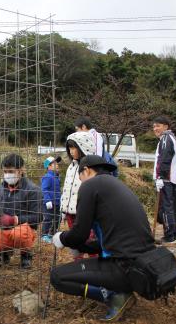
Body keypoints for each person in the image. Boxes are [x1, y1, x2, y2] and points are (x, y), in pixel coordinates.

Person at [51, 155, 156, 322]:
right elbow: (108, 242)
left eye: (80, 178)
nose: (81, 182)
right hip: (143, 267)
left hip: (124, 267)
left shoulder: (90, 185)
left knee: (57, 277)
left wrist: (61, 238)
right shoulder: (117, 186)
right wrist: (83, 247)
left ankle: (114, 297)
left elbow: (79, 233)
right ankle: (121, 290)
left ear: (86, 170)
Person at [60, 132, 95, 259]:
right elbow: (66, 189)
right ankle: (79, 266)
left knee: (90, 241)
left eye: (74, 147)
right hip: (70, 213)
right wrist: (63, 209)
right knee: (74, 242)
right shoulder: (71, 166)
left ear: (83, 147)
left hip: (84, 214)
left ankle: (95, 266)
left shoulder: (90, 168)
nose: (71, 150)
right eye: (69, 147)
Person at [152, 116, 176, 245]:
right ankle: (175, 234)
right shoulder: (170, 138)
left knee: (164, 208)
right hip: (169, 178)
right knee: (169, 207)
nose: (155, 128)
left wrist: (160, 177)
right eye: (154, 126)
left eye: (158, 126)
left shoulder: (166, 139)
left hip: (166, 178)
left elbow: (164, 159)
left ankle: (169, 236)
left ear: (165, 126)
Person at [40, 156, 62, 243]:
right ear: (48, 166)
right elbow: (44, 189)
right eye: (54, 164)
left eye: (57, 163)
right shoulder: (47, 177)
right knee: (48, 218)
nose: (57, 165)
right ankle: (44, 235)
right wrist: (47, 200)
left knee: (58, 218)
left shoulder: (56, 177)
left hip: (57, 202)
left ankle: (52, 233)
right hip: (49, 203)